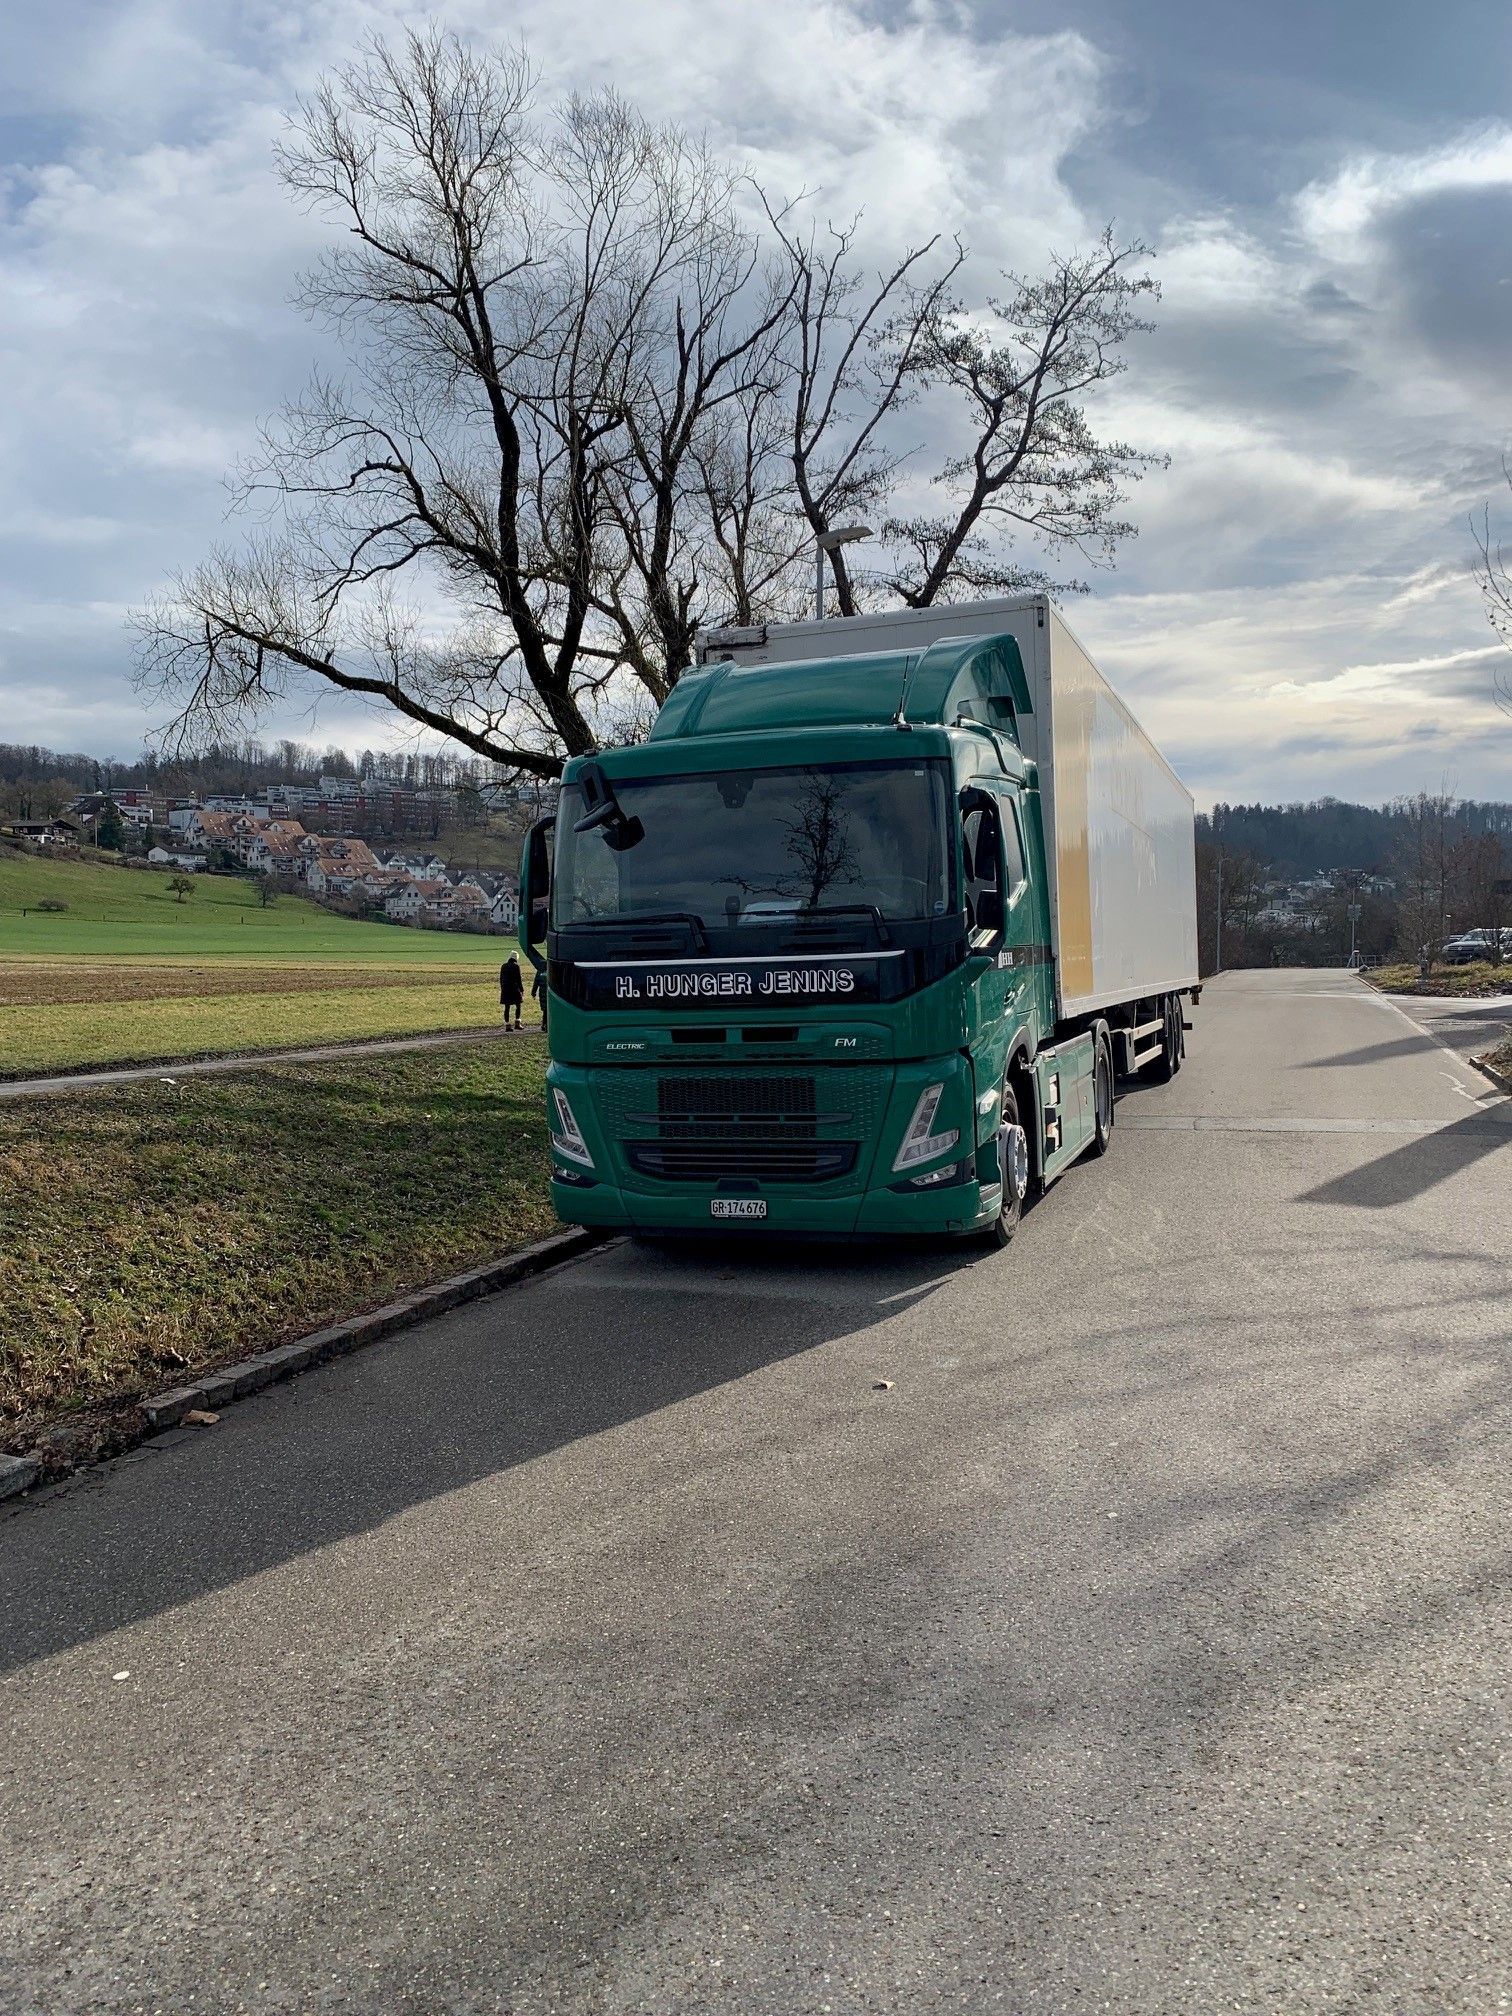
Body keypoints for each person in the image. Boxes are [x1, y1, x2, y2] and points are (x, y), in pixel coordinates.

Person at [499, 954, 524, 1030]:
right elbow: (519, 979)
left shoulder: (503, 966)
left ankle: (507, 1025)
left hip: (505, 989)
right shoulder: (516, 966)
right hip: (514, 989)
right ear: (516, 958)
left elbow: (501, 978)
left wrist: (502, 987)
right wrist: (522, 990)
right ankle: (517, 1023)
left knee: (507, 1007)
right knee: (518, 1005)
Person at [531, 962, 548, 1036]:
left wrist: (533, 992)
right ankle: (547, 1025)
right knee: (548, 1010)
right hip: (549, 993)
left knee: (545, 1010)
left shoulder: (540, 971)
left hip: (542, 993)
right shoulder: (552, 970)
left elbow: (536, 982)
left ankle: (544, 1024)